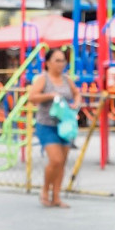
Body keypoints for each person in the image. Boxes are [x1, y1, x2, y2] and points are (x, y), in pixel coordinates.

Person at [24, 45, 78, 208]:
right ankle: (45, 190)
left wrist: (76, 103)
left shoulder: (67, 79)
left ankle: (56, 196)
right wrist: (50, 95)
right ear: (48, 63)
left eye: (63, 61)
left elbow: (76, 93)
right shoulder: (43, 79)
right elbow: (32, 97)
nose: (61, 64)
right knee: (55, 159)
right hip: (47, 125)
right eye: (57, 60)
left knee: (62, 162)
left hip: (65, 126)